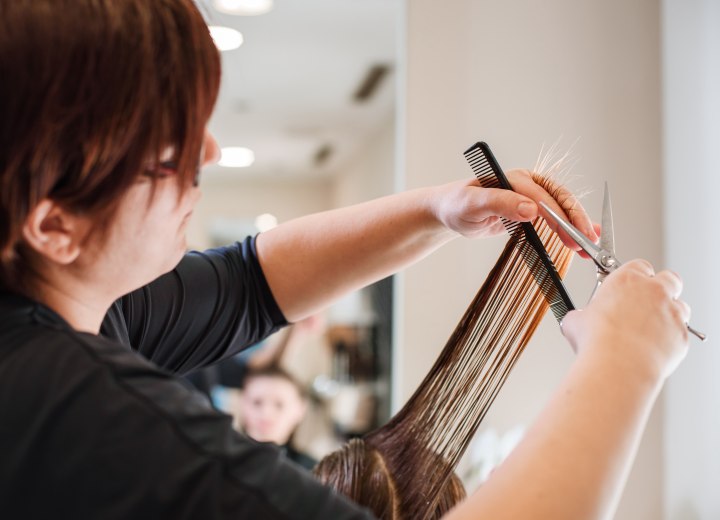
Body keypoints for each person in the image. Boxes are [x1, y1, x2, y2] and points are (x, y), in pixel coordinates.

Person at [0, 1, 690, 519]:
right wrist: (625, 358)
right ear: (56, 225)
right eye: (171, 151)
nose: (207, 154)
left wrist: (442, 210)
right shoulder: (74, 411)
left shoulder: (57, 303)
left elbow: (249, 286)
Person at [238, 365, 317, 470]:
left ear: (300, 410)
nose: (266, 413)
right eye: (257, 402)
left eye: (279, 405)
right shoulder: (218, 460)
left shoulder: (313, 472)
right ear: (243, 404)